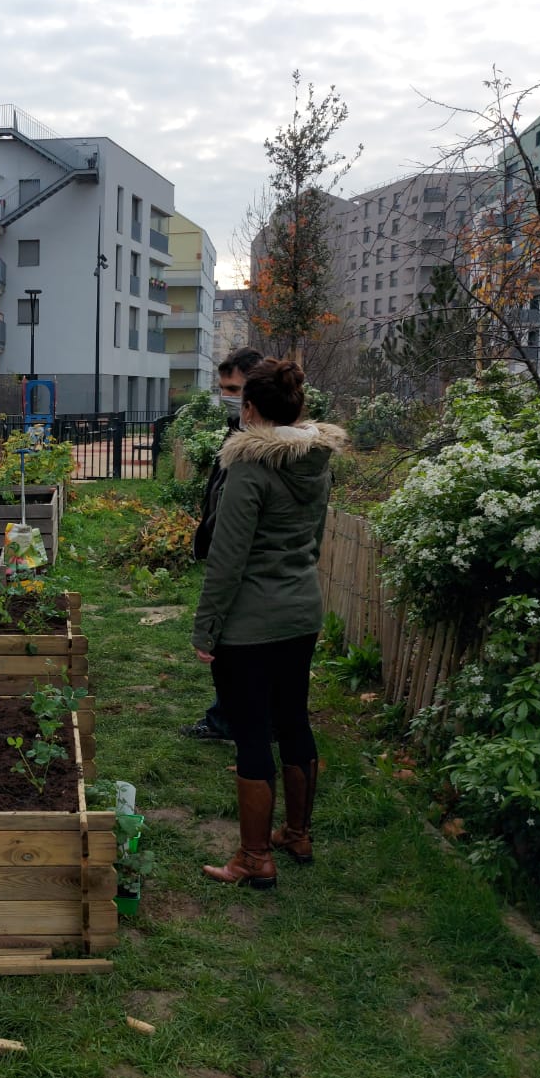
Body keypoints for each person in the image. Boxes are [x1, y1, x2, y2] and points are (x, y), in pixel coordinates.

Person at [190, 358, 346, 888]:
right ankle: (297, 833)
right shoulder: (317, 462)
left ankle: (254, 858)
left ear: (250, 409)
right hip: (302, 612)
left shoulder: (249, 467)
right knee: (294, 720)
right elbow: (314, 540)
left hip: (250, 625)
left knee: (252, 734)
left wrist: (205, 629)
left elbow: (226, 560)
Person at [180, 347, 263, 743]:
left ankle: (236, 724)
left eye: (234, 389)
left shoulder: (261, 444)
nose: (227, 396)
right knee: (231, 654)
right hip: (231, 557)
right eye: (223, 388)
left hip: (245, 567)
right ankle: (226, 717)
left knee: (230, 651)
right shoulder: (239, 431)